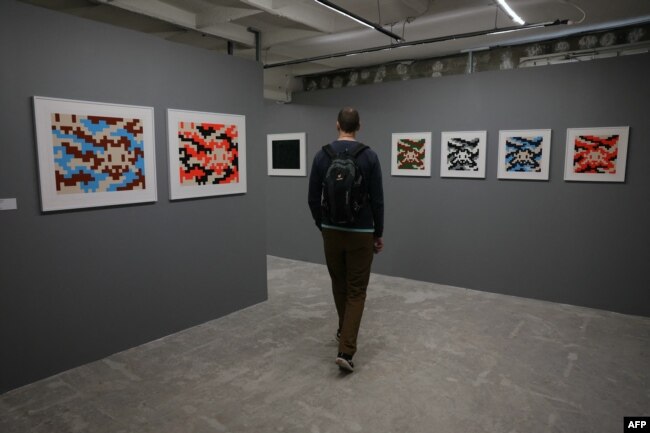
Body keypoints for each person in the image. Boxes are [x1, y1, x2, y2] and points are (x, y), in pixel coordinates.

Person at [308, 107, 384, 373]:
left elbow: (312, 198)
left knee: (339, 284)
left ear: (337, 124)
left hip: (331, 231)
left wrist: (322, 225)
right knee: (356, 290)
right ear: (359, 126)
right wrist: (378, 233)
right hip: (361, 232)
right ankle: (346, 351)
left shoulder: (322, 155)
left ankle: (344, 331)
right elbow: (377, 199)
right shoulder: (370, 156)